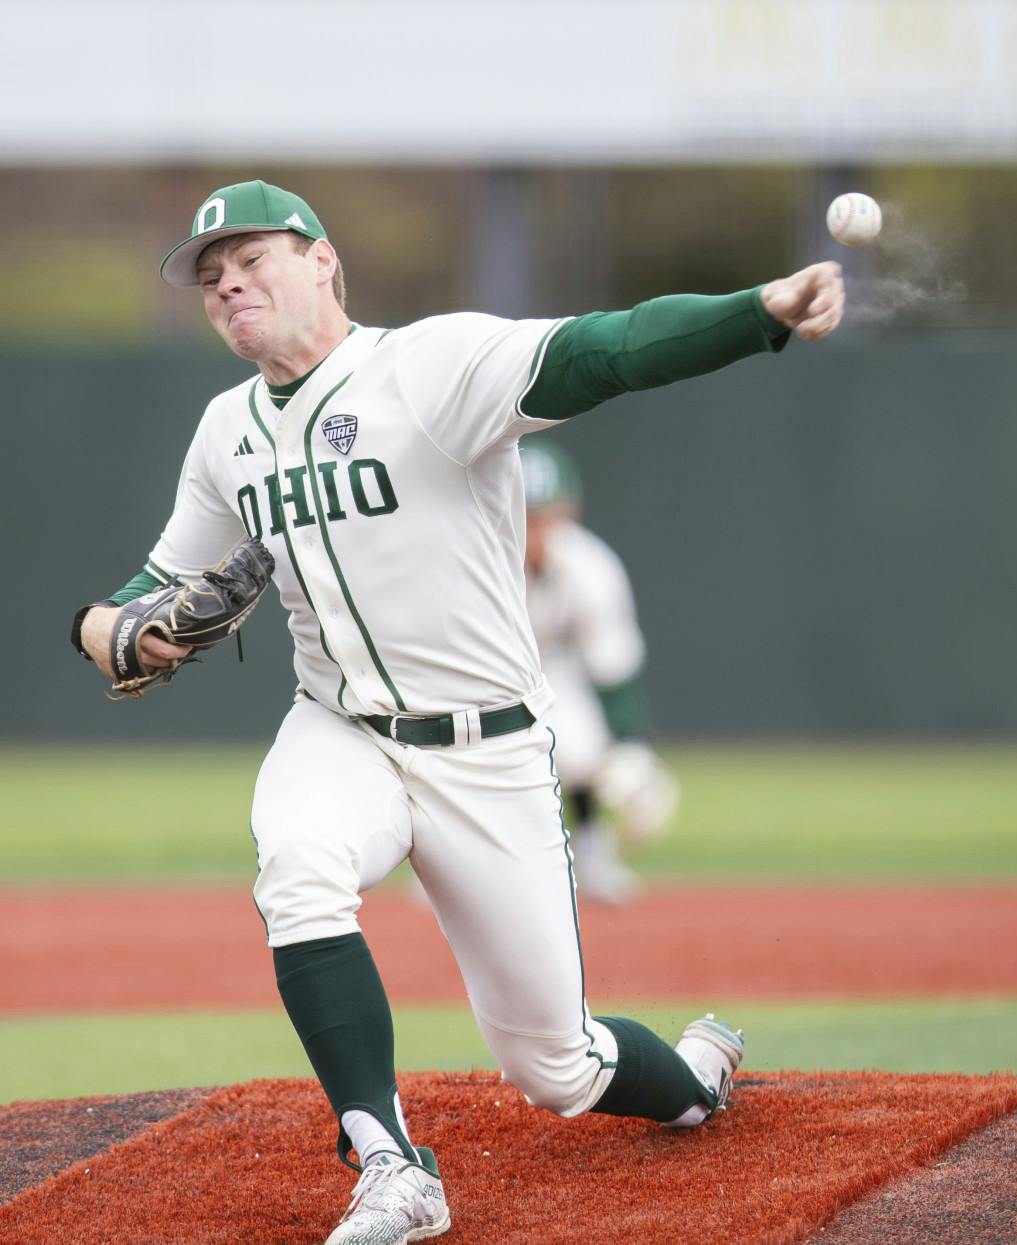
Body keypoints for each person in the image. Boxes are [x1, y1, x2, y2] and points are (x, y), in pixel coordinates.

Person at [70, 180, 844, 1245]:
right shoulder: (225, 432)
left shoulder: (427, 369)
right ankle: (391, 1165)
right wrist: (112, 632)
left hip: (487, 751)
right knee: (298, 869)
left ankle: (694, 1079)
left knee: (556, 1067)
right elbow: (145, 588)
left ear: (324, 261)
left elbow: (603, 349)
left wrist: (755, 311)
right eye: (210, 276)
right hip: (337, 727)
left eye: (251, 259)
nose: (229, 284)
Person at [520, 438, 680, 904]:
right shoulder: (473, 559)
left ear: (570, 512)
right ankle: (452, 869)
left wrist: (634, 747)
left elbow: (613, 667)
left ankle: (591, 855)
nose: (537, 530)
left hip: (550, 671)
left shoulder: (590, 567)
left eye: (546, 515)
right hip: (473, 677)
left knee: (580, 745)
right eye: (525, 516)